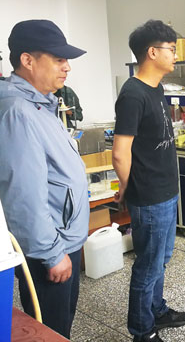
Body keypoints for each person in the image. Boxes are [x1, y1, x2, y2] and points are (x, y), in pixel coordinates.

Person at [0, 19, 88, 338]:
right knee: (51, 330)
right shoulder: (18, 112)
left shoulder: (40, 104)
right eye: (58, 59)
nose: (67, 67)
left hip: (62, 239)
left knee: (60, 326)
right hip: (50, 247)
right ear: (27, 60)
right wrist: (52, 253)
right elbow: (23, 194)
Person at [112, 19, 185, 342]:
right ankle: (142, 330)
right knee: (148, 265)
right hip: (148, 195)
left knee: (161, 260)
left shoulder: (156, 88)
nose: (175, 55)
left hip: (166, 190)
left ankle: (157, 310)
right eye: (171, 49)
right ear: (152, 52)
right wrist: (126, 187)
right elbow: (120, 152)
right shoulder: (132, 94)